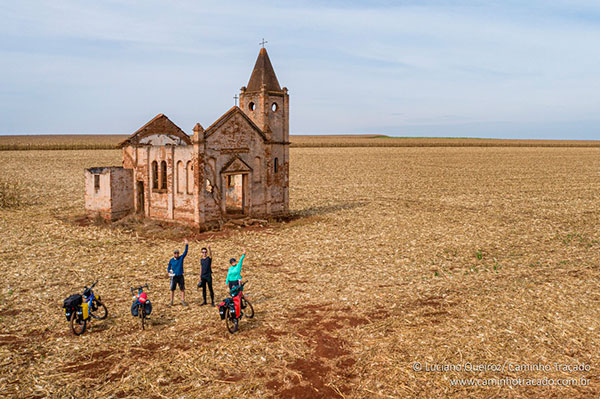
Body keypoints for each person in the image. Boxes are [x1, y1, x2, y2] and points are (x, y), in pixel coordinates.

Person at [167, 238, 189, 306]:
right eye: (175, 253)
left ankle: (182, 300)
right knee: (172, 289)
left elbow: (185, 252)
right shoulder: (171, 260)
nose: (176, 254)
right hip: (174, 276)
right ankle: (171, 301)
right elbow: (168, 267)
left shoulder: (181, 258)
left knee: (182, 288)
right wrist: (168, 272)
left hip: (180, 275)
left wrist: (186, 244)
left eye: (177, 253)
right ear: (173, 254)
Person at [226, 248, 246, 317]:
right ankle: (235, 306)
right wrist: (226, 283)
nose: (233, 263)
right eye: (232, 262)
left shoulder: (238, 266)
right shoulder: (230, 268)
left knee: (238, 294)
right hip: (231, 282)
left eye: (234, 261)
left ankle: (240, 306)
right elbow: (228, 275)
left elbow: (241, 261)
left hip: (236, 281)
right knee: (233, 294)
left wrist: (243, 254)